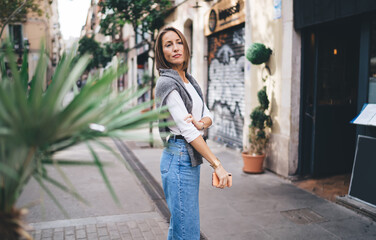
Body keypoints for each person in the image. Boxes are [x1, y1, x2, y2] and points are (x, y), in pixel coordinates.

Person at [155, 27, 232, 240]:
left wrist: (200, 122)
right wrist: (218, 165)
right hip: (178, 157)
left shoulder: (188, 80)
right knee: (187, 231)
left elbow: (207, 115)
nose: (175, 48)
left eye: (178, 42)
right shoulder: (167, 83)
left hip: (187, 158)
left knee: (180, 227)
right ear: (162, 53)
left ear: (185, 46)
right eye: (168, 45)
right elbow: (189, 132)